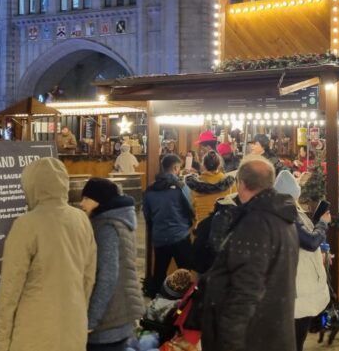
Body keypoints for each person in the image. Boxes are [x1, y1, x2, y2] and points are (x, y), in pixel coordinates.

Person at [0, 158, 96, 351]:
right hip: (72, 325)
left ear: (31, 185)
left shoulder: (26, 224)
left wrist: (2, 343)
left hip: (33, 331)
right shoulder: (81, 219)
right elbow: (88, 278)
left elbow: (10, 290)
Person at [200, 157, 299, 351]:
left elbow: (244, 293)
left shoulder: (255, 224)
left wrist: (230, 343)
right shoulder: (286, 219)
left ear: (242, 184)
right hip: (274, 333)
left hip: (253, 338)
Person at [80, 178, 144, 351]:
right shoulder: (119, 220)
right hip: (120, 313)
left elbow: (107, 276)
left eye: (86, 198)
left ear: (99, 200)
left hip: (109, 322)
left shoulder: (106, 227)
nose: (81, 203)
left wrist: (90, 320)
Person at [274, 170, 331, 351]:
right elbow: (310, 241)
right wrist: (322, 223)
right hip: (299, 286)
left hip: (293, 285)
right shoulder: (289, 212)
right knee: (296, 340)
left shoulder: (283, 210)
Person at [143, 154, 195, 297]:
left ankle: (154, 302)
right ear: (176, 168)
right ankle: (185, 305)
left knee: (159, 272)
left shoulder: (150, 189)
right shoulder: (181, 187)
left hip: (160, 236)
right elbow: (191, 208)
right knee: (186, 272)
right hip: (180, 236)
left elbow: (147, 215)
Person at [185, 150, 237, 226]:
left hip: (200, 228)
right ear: (219, 164)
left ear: (203, 165)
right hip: (222, 227)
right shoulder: (230, 183)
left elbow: (190, 210)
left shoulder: (193, 184)